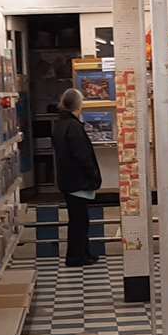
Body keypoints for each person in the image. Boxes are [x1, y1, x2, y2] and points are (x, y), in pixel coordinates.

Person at [51, 87, 102, 266]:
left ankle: (83, 253)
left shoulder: (60, 125)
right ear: (78, 105)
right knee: (79, 221)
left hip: (68, 180)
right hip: (78, 181)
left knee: (78, 219)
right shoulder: (73, 127)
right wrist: (93, 174)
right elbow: (82, 155)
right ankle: (75, 256)